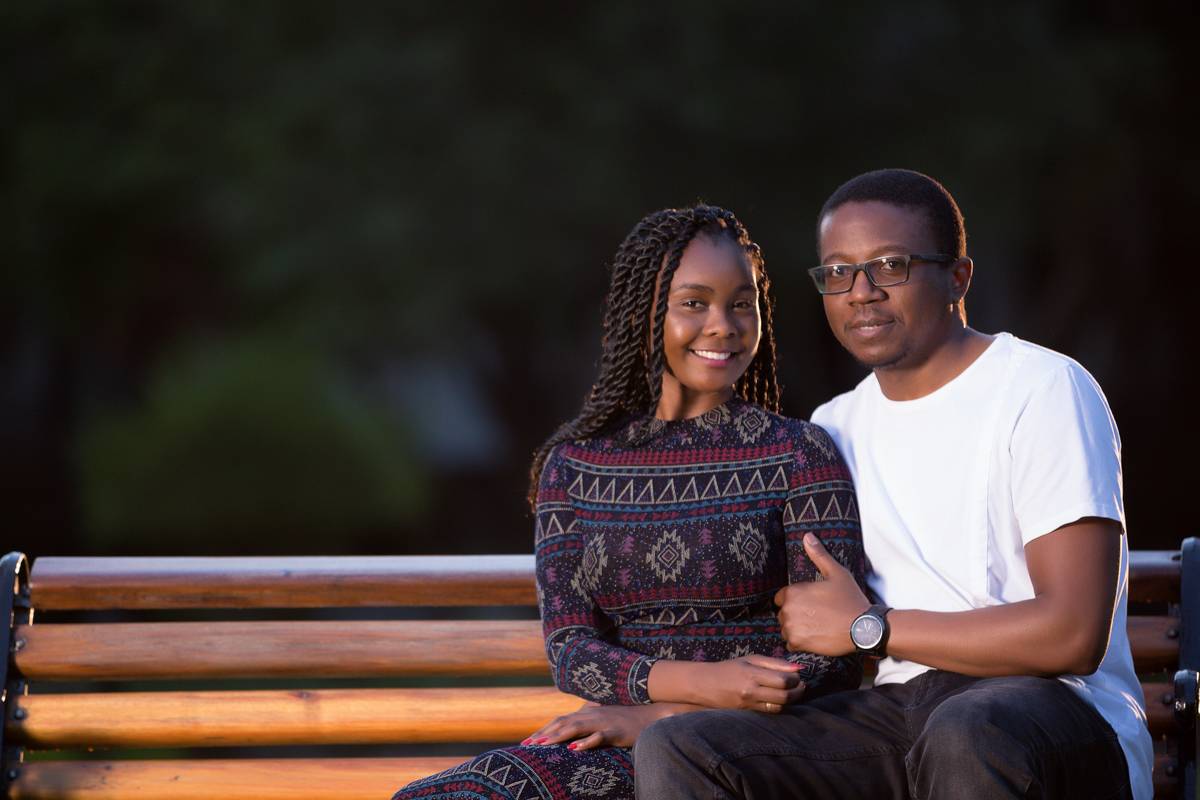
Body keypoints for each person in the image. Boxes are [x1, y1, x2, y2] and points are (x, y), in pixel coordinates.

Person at [633, 169, 1155, 800]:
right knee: (688, 749)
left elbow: (1071, 634)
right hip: (897, 714)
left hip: (1054, 712)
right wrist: (649, 706)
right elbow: (806, 632)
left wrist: (870, 628)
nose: (860, 292)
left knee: (967, 730)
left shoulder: (1042, 389)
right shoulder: (832, 429)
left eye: (889, 265)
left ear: (958, 277)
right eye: (838, 272)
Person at [391, 205, 866, 800]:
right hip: (614, 742)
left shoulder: (799, 454)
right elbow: (571, 650)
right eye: (694, 302)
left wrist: (665, 715)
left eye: (742, 303)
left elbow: (833, 657)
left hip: (755, 746)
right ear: (644, 314)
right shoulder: (576, 466)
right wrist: (694, 686)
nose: (723, 324)